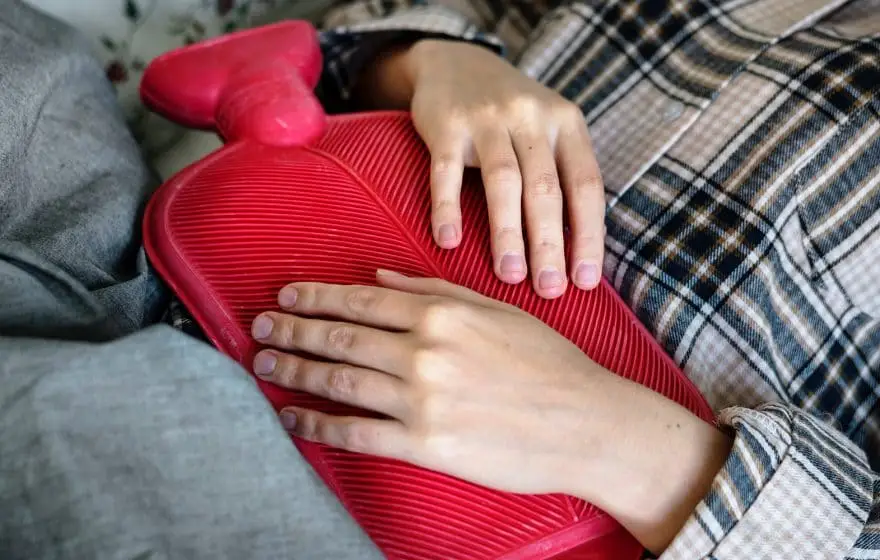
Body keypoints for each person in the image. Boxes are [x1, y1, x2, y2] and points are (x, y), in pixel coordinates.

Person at [0, 0, 877, 558]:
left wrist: (626, 447)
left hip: (428, 522)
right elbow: (436, 19)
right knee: (21, 65)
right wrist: (435, 59)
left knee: (98, 415)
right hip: (235, 254)